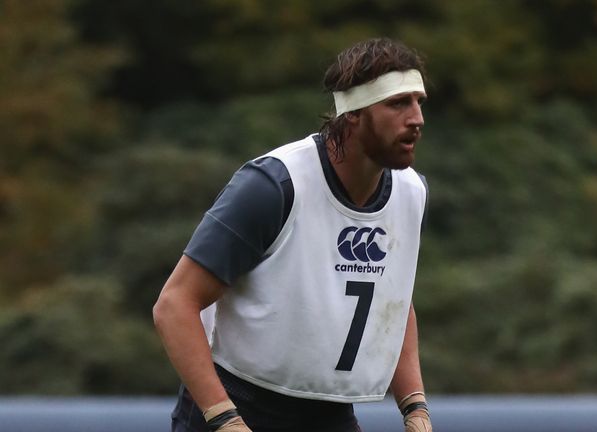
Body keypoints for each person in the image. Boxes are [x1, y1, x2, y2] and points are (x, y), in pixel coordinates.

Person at [153, 37, 433, 432]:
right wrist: (224, 419)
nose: (417, 118)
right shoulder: (273, 185)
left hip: (329, 412)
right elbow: (174, 304)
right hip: (237, 403)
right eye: (397, 103)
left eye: (419, 102)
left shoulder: (410, 193)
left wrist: (415, 407)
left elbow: (394, 302)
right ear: (353, 113)